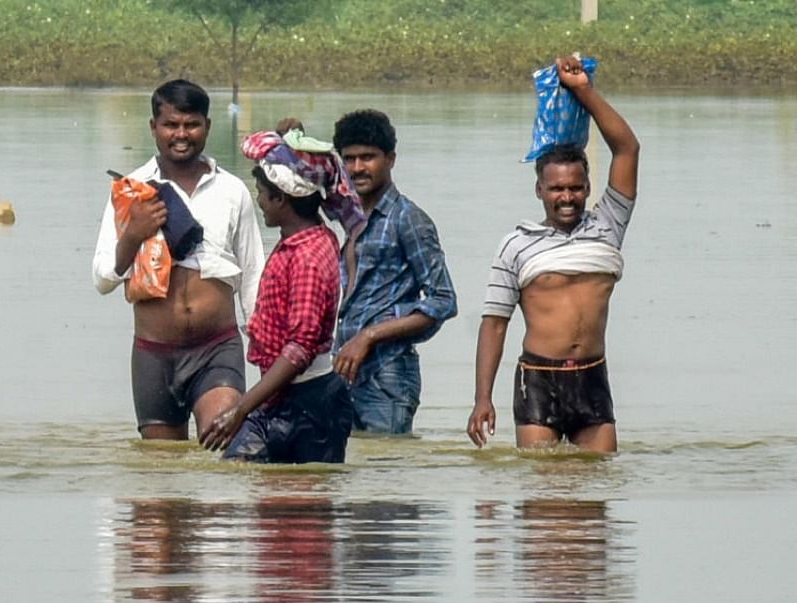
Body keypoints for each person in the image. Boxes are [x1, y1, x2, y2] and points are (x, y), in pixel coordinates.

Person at [467, 56, 640, 453]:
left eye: (576, 188)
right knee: (543, 500)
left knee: (596, 500)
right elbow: (494, 324)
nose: (567, 197)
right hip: (539, 379)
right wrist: (482, 399)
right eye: (557, 189)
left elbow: (627, 147)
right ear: (539, 191)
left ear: (587, 188)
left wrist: (584, 91)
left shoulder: (607, 226)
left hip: (592, 376)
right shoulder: (516, 244)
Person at [91, 79, 265, 441]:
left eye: (192, 124)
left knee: (227, 449)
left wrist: (266, 354)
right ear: (154, 127)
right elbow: (103, 279)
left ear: (207, 127)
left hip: (217, 348)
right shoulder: (131, 191)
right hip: (154, 354)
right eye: (171, 125)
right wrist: (135, 233)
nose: (181, 134)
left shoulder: (232, 191)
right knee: (160, 483)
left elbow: (253, 279)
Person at [198, 130, 356, 463]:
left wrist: (241, 408)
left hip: (308, 404)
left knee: (301, 507)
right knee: (267, 496)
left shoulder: (307, 257)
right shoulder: (309, 240)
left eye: (261, 193)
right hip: (287, 396)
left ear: (281, 199)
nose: (258, 201)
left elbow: (299, 348)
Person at [329, 109, 458, 435]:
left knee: (385, 471)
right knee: (353, 475)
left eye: (368, 157)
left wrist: (369, 336)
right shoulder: (351, 218)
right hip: (345, 372)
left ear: (390, 159)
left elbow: (443, 299)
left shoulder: (407, 219)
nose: (358, 168)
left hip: (387, 374)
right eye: (350, 159)